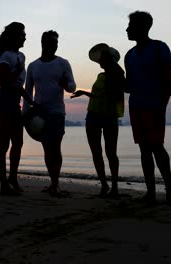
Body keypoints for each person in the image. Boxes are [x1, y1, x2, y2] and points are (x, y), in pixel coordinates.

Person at [124, 11, 171, 204]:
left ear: (142, 27)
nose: (127, 29)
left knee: (157, 147)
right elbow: (128, 86)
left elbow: (168, 83)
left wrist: (162, 105)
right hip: (136, 106)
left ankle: (170, 191)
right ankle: (151, 192)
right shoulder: (129, 55)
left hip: (154, 106)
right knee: (144, 149)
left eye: (130, 26)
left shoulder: (160, 48)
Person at [23, 30, 76, 196]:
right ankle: (52, 183)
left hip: (57, 112)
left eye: (56, 43)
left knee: (56, 147)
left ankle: (55, 183)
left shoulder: (63, 63)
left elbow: (72, 86)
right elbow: (27, 91)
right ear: (43, 43)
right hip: (39, 113)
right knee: (47, 148)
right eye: (51, 42)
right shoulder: (33, 66)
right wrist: (25, 113)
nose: (54, 46)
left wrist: (67, 84)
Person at [71, 43, 125, 197]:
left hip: (109, 116)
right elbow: (98, 95)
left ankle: (114, 186)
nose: (99, 61)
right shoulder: (100, 76)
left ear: (109, 60)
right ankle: (104, 185)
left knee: (111, 152)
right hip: (93, 115)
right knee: (96, 152)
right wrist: (84, 93)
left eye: (102, 59)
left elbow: (113, 95)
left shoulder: (118, 75)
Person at [0, 22, 34, 196]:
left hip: (14, 106)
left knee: (18, 143)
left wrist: (30, 101)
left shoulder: (21, 56)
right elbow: (4, 80)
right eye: (22, 34)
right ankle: (4, 185)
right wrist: (18, 71)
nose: (25, 37)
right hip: (3, 105)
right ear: (13, 36)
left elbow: (18, 85)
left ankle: (13, 178)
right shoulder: (6, 56)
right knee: (2, 146)